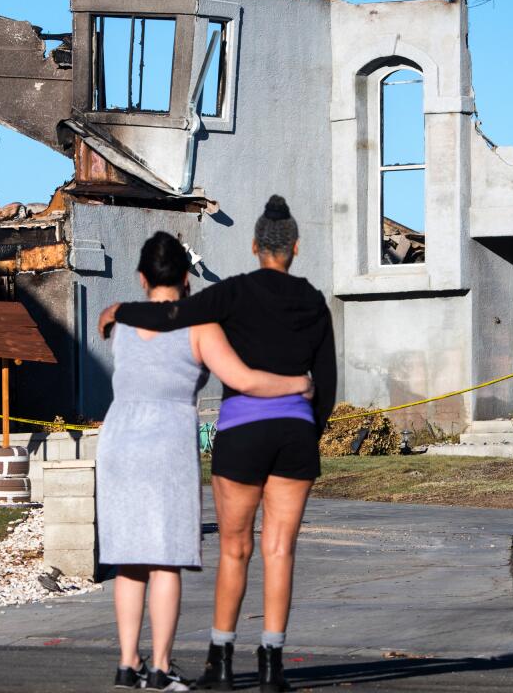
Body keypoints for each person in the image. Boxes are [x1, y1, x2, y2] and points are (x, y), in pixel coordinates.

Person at [99, 195, 336, 693]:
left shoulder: (232, 293)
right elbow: (328, 382)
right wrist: (307, 426)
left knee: (235, 549)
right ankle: (271, 664)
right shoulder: (315, 300)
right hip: (294, 431)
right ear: (295, 247)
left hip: (241, 432)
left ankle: (220, 663)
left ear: (254, 246)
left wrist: (121, 309)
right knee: (280, 549)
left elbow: (170, 315)